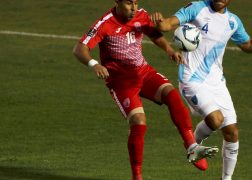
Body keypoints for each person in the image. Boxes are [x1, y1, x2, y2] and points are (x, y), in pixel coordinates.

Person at [72, 0, 220, 179]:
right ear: (117, 2)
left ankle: (192, 147)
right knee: (139, 122)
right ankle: (137, 176)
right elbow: (80, 48)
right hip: (122, 82)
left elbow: (154, 33)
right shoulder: (105, 23)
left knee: (171, 94)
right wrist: (94, 64)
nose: (134, 8)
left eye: (135, 3)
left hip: (143, 72)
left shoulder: (141, 15)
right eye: (128, 3)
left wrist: (169, 49)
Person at [151, 0, 252, 179]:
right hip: (192, 79)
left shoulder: (233, 21)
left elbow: (248, 45)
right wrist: (161, 23)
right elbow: (169, 23)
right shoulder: (197, 8)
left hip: (217, 82)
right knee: (216, 120)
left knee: (232, 132)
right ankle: (192, 145)